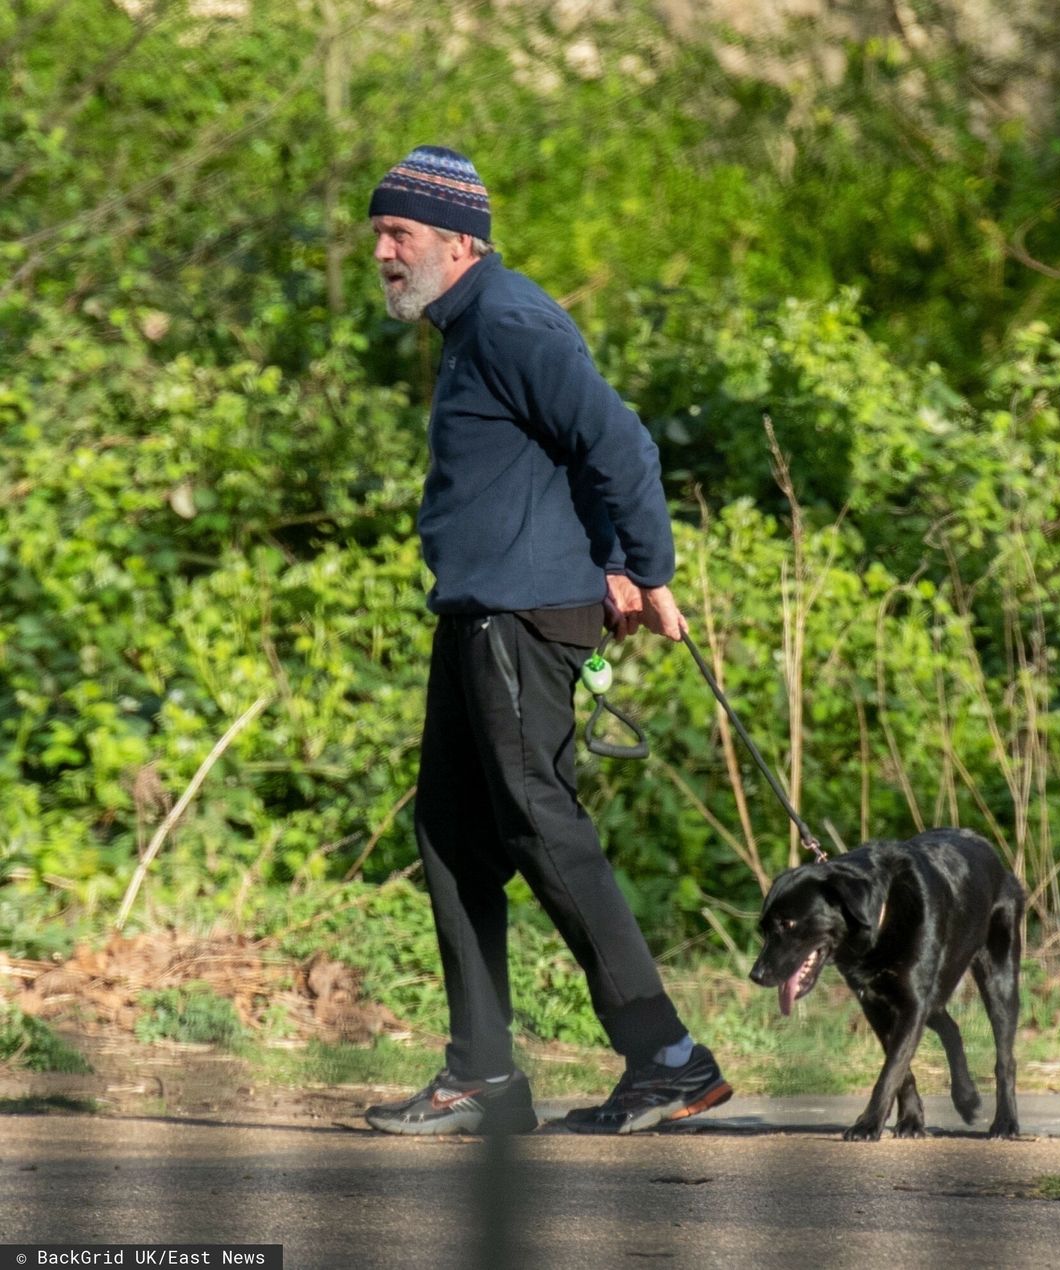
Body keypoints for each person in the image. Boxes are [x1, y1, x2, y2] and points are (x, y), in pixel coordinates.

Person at [361, 145, 731, 1136]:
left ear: (457, 240)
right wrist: (607, 553)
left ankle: (666, 1057)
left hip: (519, 620)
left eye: (399, 234)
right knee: (448, 829)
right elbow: (559, 459)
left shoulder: (509, 321)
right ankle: (481, 1072)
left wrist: (644, 570)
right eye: (378, 236)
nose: (383, 253)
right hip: (478, 612)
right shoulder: (470, 325)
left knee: (540, 824)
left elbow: (617, 441)